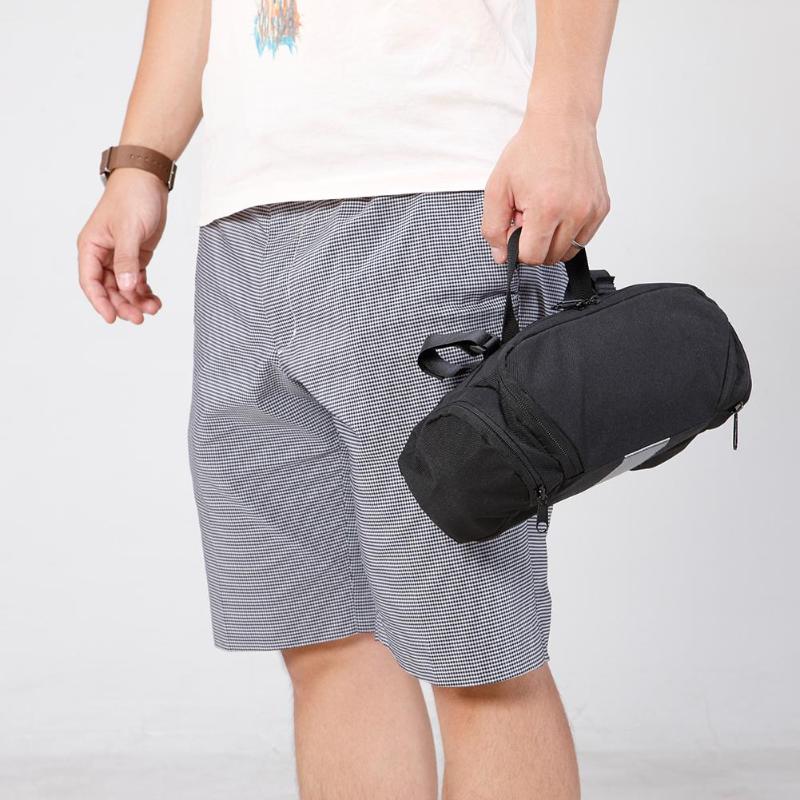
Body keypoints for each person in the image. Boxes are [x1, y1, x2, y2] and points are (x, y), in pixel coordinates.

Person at [77, 1, 617, 796]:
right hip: (242, 228)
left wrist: (567, 117)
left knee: (475, 650)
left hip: (435, 191)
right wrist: (139, 164)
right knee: (326, 640)